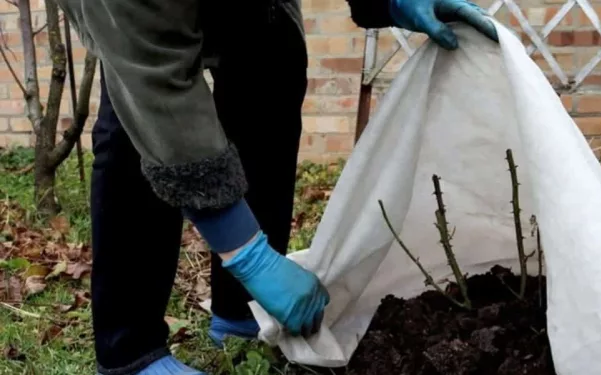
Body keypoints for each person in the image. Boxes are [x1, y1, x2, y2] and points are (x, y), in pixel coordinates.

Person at [55, 0, 498, 373]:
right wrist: (249, 255)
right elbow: (156, 84)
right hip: (133, 15)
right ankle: (130, 351)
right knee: (138, 116)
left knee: (273, 53)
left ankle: (240, 313)